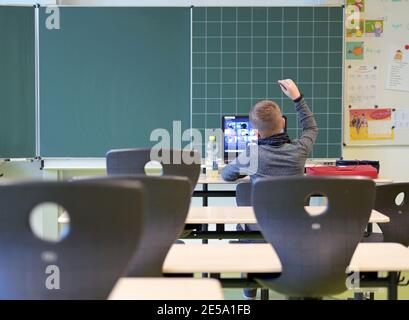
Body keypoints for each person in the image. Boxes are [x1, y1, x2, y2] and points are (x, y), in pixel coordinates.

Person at [221, 79, 318, 299]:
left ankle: (250, 287)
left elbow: (227, 175)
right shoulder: (300, 149)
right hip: (294, 230)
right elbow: (311, 127)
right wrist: (297, 98)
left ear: (256, 132)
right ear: (282, 123)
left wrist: (244, 165)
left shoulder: (253, 155)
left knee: (244, 225)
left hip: (259, 231)